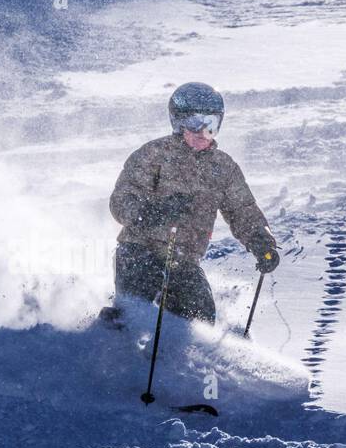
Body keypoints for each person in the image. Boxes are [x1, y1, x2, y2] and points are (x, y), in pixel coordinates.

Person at [108, 82, 279, 324]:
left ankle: (186, 359)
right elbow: (121, 200)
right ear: (178, 123)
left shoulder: (223, 168)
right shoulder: (154, 155)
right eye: (195, 123)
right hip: (139, 251)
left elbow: (242, 211)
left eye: (211, 124)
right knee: (135, 313)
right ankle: (114, 337)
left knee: (200, 318)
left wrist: (261, 242)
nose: (203, 132)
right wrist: (152, 212)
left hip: (184, 260)